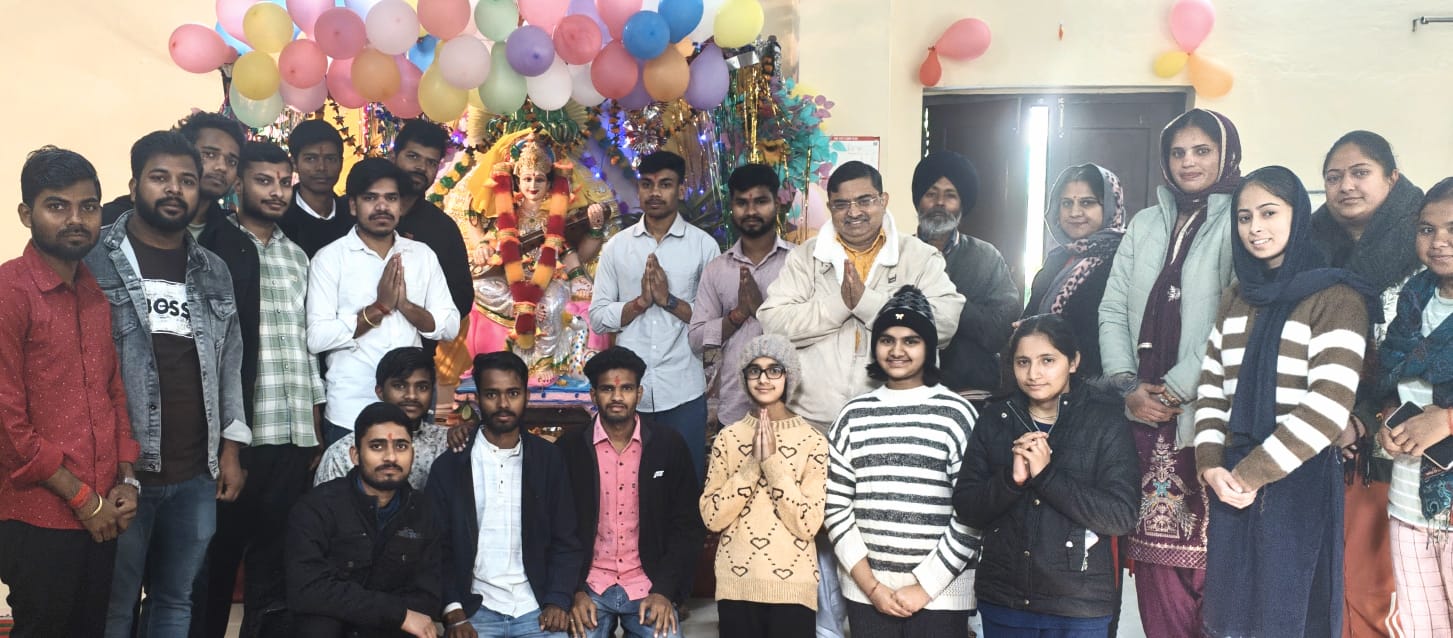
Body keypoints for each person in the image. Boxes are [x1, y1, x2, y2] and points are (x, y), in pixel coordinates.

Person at [758, 160, 963, 637]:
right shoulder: (807, 258)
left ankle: (890, 607)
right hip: (813, 420)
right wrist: (837, 305)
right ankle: (829, 630)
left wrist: (869, 307)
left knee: (882, 529)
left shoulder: (917, 256)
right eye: (841, 204)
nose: (853, 212)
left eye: (864, 200)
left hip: (890, 424)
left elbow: (945, 325)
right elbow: (772, 321)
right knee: (816, 533)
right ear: (829, 208)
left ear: (883, 200)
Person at [1195, 166, 1374, 636]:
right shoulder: (1237, 298)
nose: (1255, 228)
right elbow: (1212, 387)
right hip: (1231, 478)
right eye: (1244, 217)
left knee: (1288, 614)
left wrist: (1250, 475)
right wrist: (1210, 465)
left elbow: (1328, 407)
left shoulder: (1337, 298)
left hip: (1298, 478)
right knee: (1230, 616)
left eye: (1269, 213)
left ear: (1299, 216)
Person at [87, 130, 250, 637]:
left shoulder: (213, 270)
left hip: (195, 472)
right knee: (114, 607)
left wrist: (230, 449)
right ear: (134, 185)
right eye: (160, 177)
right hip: (120, 472)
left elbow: (229, 364)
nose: (175, 189)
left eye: (187, 180)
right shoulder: (94, 259)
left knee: (176, 600)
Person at [1097, 108, 1240, 636]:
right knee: (1156, 566)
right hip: (1140, 414)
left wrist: (1178, 388)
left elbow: (1234, 316)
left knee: (1212, 568)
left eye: (1202, 150)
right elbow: (1112, 308)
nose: (1188, 162)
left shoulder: (1241, 217)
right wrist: (1126, 385)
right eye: (1178, 152)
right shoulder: (1144, 223)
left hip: (1207, 415)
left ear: (1225, 154)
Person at [0, 147, 139, 637]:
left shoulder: (92, 292)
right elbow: (7, 424)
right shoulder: (9, 292)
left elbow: (112, 392)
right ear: (27, 214)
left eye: (89, 206)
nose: (76, 219)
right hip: (38, 515)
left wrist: (126, 480)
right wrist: (83, 499)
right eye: (57, 206)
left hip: (101, 509)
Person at [198, 141, 327, 638]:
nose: (276, 192)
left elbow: (305, 341)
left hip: (292, 434)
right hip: (241, 433)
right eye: (263, 181)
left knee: (274, 564)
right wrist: (226, 439)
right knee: (218, 559)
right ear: (238, 186)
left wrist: (314, 417)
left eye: (283, 182)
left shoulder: (298, 257)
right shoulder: (214, 249)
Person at [955, 314, 1138, 637]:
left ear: (1074, 361)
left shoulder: (1105, 421)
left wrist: (1047, 476)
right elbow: (967, 508)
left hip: (1079, 607)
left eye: (1047, 360)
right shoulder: (996, 417)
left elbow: (1120, 516)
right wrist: (1011, 482)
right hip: (1005, 601)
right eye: (1022, 362)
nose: (1033, 374)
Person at [1311, 131, 1425, 637]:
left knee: (1384, 591)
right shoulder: (1311, 249)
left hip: (1400, 438)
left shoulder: (1426, 251)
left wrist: (1363, 416)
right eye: (1334, 177)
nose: (1346, 186)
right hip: (1323, 432)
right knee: (1333, 584)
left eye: (1360, 173)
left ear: (1392, 179)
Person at [823, 285, 981, 638]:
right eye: (887, 340)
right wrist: (872, 587)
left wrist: (925, 587)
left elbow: (972, 513)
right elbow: (835, 507)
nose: (897, 351)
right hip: (867, 593)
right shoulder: (852, 415)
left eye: (911, 341)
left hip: (941, 596)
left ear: (929, 347)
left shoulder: (957, 415)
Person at [306, 157, 460, 447]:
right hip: (351, 410)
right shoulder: (329, 259)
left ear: (400, 205)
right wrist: (378, 309)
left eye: (391, 198)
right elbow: (317, 338)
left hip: (411, 412)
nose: (381, 207)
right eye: (370, 198)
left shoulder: (422, 255)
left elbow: (450, 325)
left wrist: (407, 307)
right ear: (353, 206)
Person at [429, 351, 582, 638]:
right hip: (474, 613)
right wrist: (454, 612)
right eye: (492, 394)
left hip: (535, 609)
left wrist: (557, 600)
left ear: (526, 396)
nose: (502, 404)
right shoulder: (451, 466)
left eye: (512, 393)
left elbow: (566, 540)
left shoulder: (548, 460)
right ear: (477, 399)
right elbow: (437, 547)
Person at [588, 151, 720, 483]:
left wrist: (669, 301)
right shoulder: (617, 248)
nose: (655, 193)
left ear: (681, 189)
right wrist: (639, 303)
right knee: (630, 488)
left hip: (683, 390)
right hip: (630, 394)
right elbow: (598, 317)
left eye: (665, 184)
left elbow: (714, 322)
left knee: (684, 487)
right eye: (647, 184)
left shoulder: (703, 247)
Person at [556, 346, 705, 638]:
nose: (616, 397)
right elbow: (558, 528)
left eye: (625, 388)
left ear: (639, 393)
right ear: (593, 395)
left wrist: (665, 591)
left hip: (647, 584)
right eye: (607, 389)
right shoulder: (569, 449)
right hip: (590, 586)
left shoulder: (668, 445)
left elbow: (687, 526)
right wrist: (573, 592)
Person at [699, 334, 829, 638]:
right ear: (744, 378)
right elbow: (712, 517)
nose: (763, 379)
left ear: (789, 376)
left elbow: (809, 524)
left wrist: (771, 462)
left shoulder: (813, 440)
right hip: (737, 586)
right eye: (754, 370)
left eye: (774, 370)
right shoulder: (728, 438)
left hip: (793, 588)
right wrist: (750, 467)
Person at [461, 130, 616, 386]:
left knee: (552, 304)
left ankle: (543, 362)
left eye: (539, 179)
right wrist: (482, 248)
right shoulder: (508, 215)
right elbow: (490, 241)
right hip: (512, 282)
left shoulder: (555, 216)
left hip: (550, 278)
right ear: (517, 181)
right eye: (527, 179)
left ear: (549, 183)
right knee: (479, 287)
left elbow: (572, 253)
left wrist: (595, 232)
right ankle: (523, 310)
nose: (532, 186)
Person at [286, 402, 442, 638]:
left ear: (412, 452)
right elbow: (307, 588)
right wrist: (396, 614)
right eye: (377, 446)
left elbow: (428, 596)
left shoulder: (424, 512)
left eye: (401, 446)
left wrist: (392, 617)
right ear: (356, 455)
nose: (391, 457)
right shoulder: (317, 506)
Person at [1374, 177, 1453, 636]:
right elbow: (1391, 380)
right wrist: (1386, 418)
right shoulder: (1412, 298)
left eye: (1452, 229)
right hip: (1407, 506)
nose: (1439, 241)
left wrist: (1446, 420)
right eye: (1427, 229)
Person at [689, 164, 796, 428]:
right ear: (732, 207)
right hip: (735, 411)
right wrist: (737, 315)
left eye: (760, 201)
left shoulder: (799, 263)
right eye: (742, 203)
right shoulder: (717, 269)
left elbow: (812, 333)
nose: (750, 211)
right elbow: (697, 340)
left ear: (777, 204)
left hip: (792, 410)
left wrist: (761, 309)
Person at [912, 151, 1020, 399]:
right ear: (919, 201)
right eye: (931, 194)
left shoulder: (987, 258)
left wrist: (948, 301)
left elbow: (998, 331)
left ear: (963, 204)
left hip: (971, 394)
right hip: (909, 392)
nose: (940, 203)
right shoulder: (899, 254)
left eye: (951, 195)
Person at [1022, 164, 1128, 377]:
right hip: (1043, 380)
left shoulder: (1125, 258)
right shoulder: (1057, 258)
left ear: (1109, 207)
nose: (1074, 212)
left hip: (1099, 383)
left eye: (1087, 203)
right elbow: (1031, 314)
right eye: (1066, 203)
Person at [315, 347, 452, 490]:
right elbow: (325, 501)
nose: (411, 396)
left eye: (422, 387)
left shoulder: (446, 443)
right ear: (380, 391)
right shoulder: (342, 452)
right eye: (400, 386)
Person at [391, 120, 474, 356]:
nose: (421, 168)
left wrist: (414, 312)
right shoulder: (361, 213)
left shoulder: (442, 229)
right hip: (357, 356)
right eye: (413, 157)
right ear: (393, 156)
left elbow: (461, 299)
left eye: (431, 162)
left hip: (416, 359)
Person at [278, 119, 354, 258]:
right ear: (294, 164)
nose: (321, 167)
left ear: (341, 163)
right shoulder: (279, 216)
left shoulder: (353, 217)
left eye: (330, 159)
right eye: (311, 159)